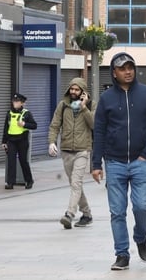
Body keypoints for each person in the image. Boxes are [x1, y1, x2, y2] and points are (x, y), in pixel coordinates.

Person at [91, 52, 146, 271]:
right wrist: (96, 164)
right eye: (122, 68)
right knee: (117, 211)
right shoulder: (107, 99)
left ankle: (140, 237)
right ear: (114, 72)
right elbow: (100, 131)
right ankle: (122, 254)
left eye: (130, 67)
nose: (128, 71)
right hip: (114, 162)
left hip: (140, 162)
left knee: (142, 206)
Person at [48, 78, 95, 229]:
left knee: (76, 182)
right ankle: (87, 214)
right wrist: (52, 142)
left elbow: (94, 124)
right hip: (67, 150)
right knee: (75, 184)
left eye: (77, 90)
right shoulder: (63, 105)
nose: (73, 92)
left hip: (82, 149)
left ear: (83, 91)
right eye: (72, 89)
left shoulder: (91, 105)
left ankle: (69, 214)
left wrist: (83, 107)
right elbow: (55, 125)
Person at [1, 93, 37, 189]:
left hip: (22, 140)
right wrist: (4, 142)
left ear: (22, 103)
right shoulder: (9, 113)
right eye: (14, 101)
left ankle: (29, 180)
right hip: (11, 140)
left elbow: (34, 125)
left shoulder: (26, 113)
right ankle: (10, 182)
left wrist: (24, 124)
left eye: (17, 101)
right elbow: (6, 128)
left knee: (23, 161)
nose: (15, 103)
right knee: (11, 161)